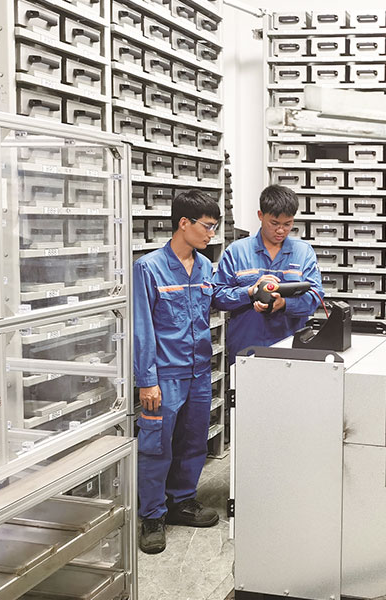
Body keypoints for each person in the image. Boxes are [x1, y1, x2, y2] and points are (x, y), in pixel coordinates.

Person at [133, 190, 222, 554]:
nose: (211, 234)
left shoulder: (204, 267)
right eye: (207, 226)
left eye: (215, 227)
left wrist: (252, 294)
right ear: (184, 223)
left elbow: (218, 299)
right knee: (156, 446)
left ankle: (182, 501)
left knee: (193, 441)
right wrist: (147, 381)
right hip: (165, 375)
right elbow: (142, 329)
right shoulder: (148, 268)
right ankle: (152, 515)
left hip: (199, 371)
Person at [213, 185, 324, 364]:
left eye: (287, 224)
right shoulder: (237, 251)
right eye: (274, 223)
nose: (281, 230)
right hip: (246, 348)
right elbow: (217, 296)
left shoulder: (303, 252)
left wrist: (284, 304)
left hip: (290, 349)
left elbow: (315, 297)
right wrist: (250, 292)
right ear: (260, 215)